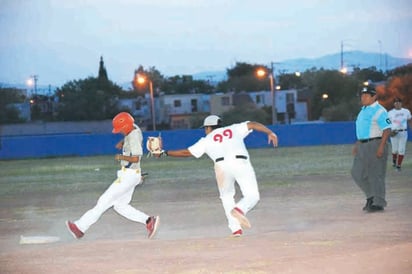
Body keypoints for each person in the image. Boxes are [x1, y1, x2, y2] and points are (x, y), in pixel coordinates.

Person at [161, 115, 278, 237]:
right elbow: (253, 124)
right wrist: (270, 132)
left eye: (205, 128)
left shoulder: (206, 140)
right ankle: (240, 209)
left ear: (208, 128)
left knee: (226, 197)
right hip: (240, 162)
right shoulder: (233, 129)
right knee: (252, 196)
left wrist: (165, 153)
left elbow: (187, 152)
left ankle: (235, 229)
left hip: (221, 166)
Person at [66, 112, 159, 239]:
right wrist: (123, 142)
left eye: (121, 130)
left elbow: (136, 158)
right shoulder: (134, 127)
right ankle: (149, 221)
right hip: (131, 175)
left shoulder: (133, 138)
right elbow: (130, 135)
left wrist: (121, 156)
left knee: (103, 201)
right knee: (121, 206)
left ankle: (80, 227)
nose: (120, 132)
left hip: (129, 176)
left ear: (126, 127)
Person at [351, 85, 391, 212]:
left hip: (375, 144)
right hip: (363, 145)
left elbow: (387, 129)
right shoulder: (363, 110)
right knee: (357, 172)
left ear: (374, 96)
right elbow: (362, 130)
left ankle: (378, 203)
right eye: (362, 96)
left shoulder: (380, 111)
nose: (363, 98)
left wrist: (381, 147)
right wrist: (357, 145)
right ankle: (371, 196)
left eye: (366, 96)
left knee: (376, 174)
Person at [388, 97, 412, 171]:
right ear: (394, 104)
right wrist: (389, 131)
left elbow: (409, 120)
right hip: (394, 132)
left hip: (403, 132)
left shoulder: (406, 111)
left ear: (401, 103)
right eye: (395, 102)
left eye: (399, 102)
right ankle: (394, 161)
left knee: (401, 150)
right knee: (395, 150)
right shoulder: (390, 112)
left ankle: (398, 166)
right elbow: (387, 122)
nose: (397, 103)